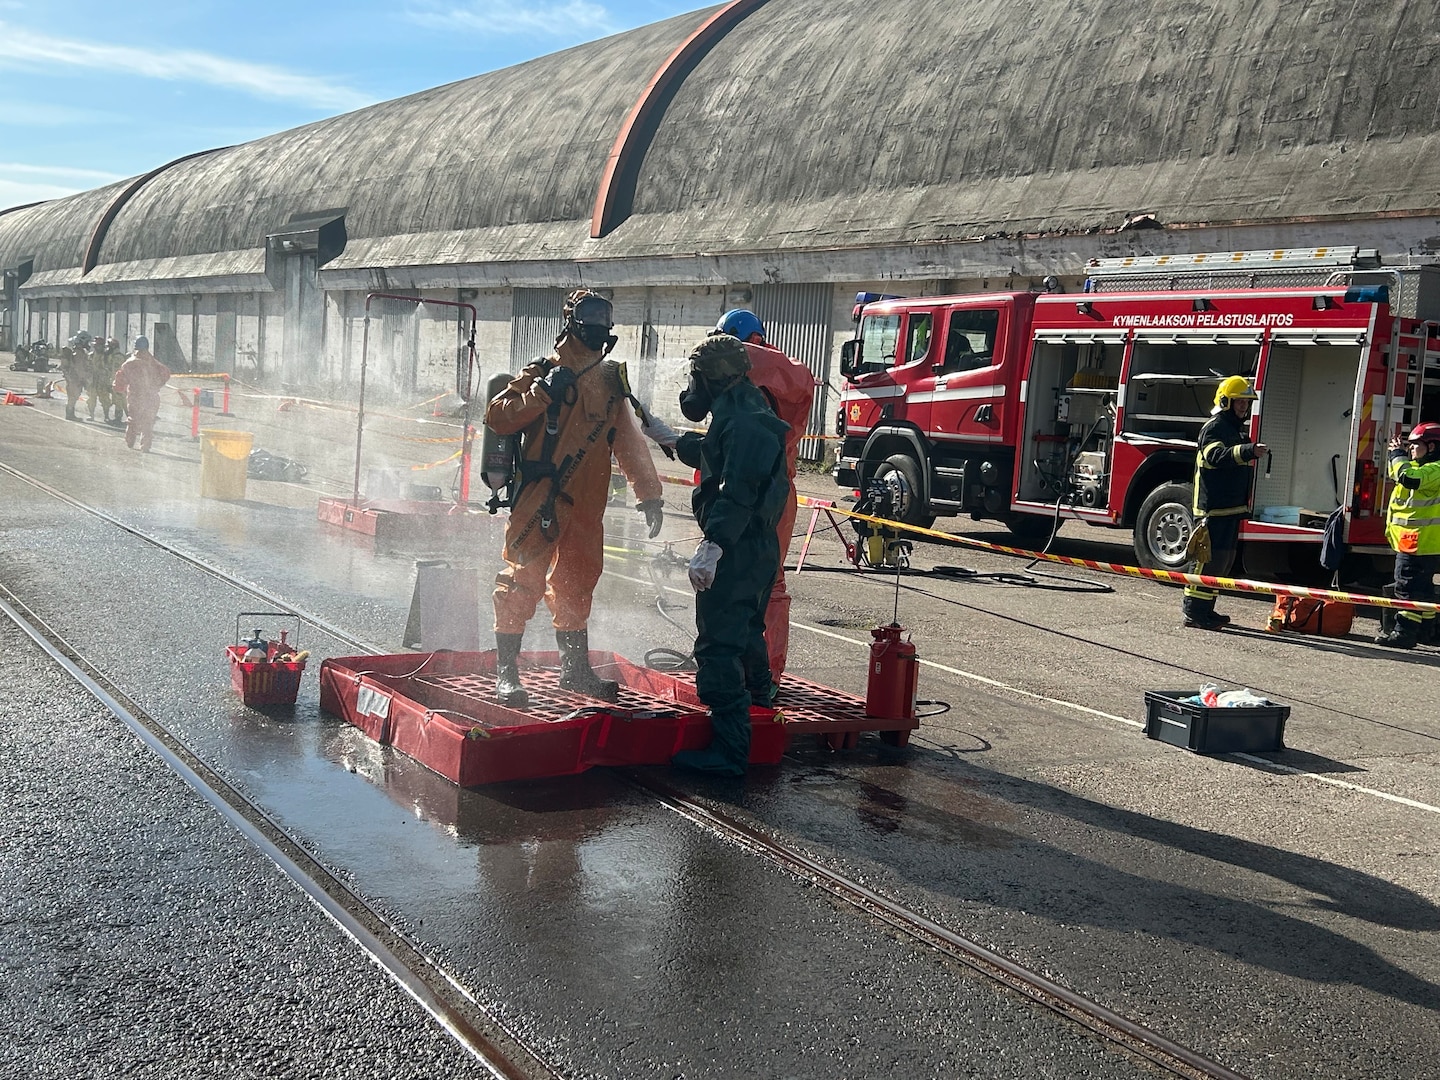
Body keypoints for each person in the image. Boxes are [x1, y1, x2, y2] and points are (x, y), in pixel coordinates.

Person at [485, 289, 664, 707]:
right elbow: (498, 415)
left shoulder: (610, 380)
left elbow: (629, 442)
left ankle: (575, 672)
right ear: (571, 321)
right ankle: (507, 673)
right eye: (591, 315)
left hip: (587, 507)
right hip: (539, 498)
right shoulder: (545, 370)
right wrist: (543, 392)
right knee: (520, 581)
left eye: (605, 315)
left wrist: (649, 494)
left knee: (577, 584)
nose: (600, 324)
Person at [665, 334, 790, 776]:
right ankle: (761, 704)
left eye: (695, 377)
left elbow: (738, 489)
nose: (691, 387)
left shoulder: (746, 420)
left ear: (710, 377)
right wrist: (673, 441)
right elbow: (719, 453)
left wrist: (713, 543)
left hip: (738, 548)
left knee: (718, 645)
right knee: (747, 634)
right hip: (752, 546)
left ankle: (731, 752)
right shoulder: (741, 408)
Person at [710, 309, 815, 692]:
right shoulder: (787, 375)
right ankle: (763, 671)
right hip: (777, 492)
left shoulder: (758, 367)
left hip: (752, 490)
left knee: (742, 580)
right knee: (768, 581)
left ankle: (747, 669)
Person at [1182, 375, 1268, 629]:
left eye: (1246, 402)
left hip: (1229, 508)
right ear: (1225, 401)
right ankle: (1194, 613)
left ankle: (1207, 609)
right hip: (1213, 509)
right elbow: (1214, 457)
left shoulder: (1233, 429)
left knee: (1221, 561)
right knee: (1205, 561)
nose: (1244, 407)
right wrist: (1248, 451)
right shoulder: (1215, 427)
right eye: (1239, 402)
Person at [1374, 422, 1440, 648]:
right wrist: (1397, 454)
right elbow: (1399, 472)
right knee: (1422, 589)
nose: (1411, 450)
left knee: (1407, 588)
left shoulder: (1436, 469)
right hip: (1418, 541)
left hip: (1419, 542)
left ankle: (1404, 634)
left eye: (1416, 446)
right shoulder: (1419, 467)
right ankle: (1428, 633)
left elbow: (1410, 478)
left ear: (1431, 447)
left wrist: (1398, 454)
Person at [111, 335, 171, 452]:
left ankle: (130, 441)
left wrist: (120, 389)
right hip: (152, 396)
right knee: (148, 422)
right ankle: (145, 446)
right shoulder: (154, 362)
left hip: (135, 396)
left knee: (132, 420)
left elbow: (120, 380)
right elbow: (165, 374)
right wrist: (157, 386)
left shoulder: (128, 363)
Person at [86, 337, 123, 425]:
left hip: (103, 381)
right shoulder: (91, 355)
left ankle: (106, 416)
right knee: (91, 399)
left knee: (105, 400)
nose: (96, 347)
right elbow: (87, 368)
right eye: (95, 345)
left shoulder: (107, 356)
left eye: (98, 345)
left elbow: (110, 368)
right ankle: (91, 415)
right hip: (92, 381)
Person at [59, 331, 91, 421]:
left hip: (72, 378)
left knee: (72, 397)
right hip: (75, 379)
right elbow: (80, 368)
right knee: (73, 397)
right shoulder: (79, 353)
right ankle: (70, 415)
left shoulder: (76, 351)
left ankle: (70, 414)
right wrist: (85, 379)